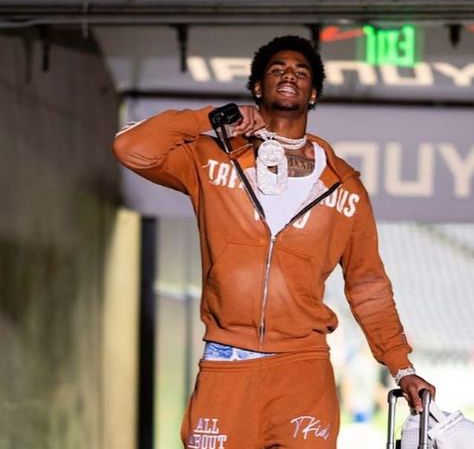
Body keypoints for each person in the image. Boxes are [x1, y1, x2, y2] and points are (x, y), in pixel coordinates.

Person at [113, 35, 435, 449]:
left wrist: (401, 367)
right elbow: (132, 148)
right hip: (227, 361)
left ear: (313, 93)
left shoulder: (345, 188)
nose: (290, 76)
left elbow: (367, 285)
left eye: (302, 72)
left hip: (303, 368)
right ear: (257, 88)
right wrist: (213, 117)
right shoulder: (213, 159)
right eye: (277, 69)